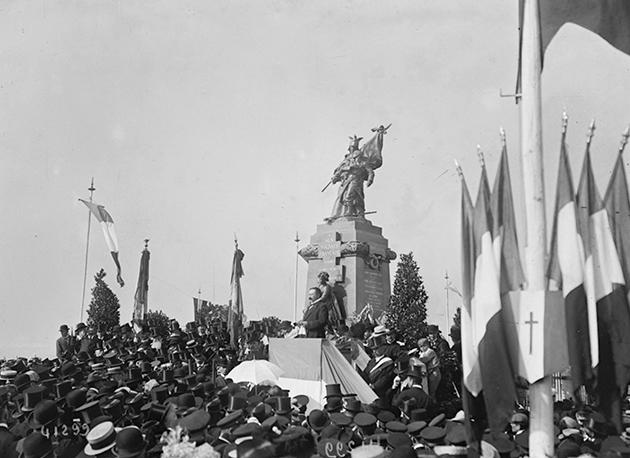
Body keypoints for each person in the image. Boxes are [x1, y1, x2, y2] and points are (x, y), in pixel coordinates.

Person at [328, 136, 375, 219]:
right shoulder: (347, 161)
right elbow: (340, 170)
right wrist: (335, 177)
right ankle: (345, 213)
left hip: (356, 180)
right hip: (345, 181)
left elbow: (370, 172)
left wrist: (370, 180)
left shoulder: (362, 163)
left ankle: (351, 211)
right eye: (352, 148)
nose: (354, 155)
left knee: (350, 196)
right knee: (343, 197)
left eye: (356, 154)